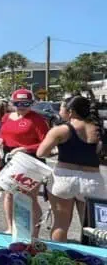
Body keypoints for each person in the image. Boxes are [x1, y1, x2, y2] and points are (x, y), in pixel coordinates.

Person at [37, 96, 106, 242]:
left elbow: (41, 153)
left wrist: (56, 151)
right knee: (94, 229)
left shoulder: (60, 130)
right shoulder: (98, 130)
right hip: (92, 181)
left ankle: (58, 258)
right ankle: (94, 260)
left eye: (61, 108)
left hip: (64, 178)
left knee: (61, 225)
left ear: (71, 112)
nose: (59, 111)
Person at [0, 89, 49, 237]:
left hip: (31, 161)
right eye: (17, 103)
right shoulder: (6, 117)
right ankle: (11, 227)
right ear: (12, 103)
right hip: (10, 158)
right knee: (9, 193)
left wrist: (25, 149)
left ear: (32, 103)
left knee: (30, 196)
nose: (22, 106)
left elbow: (46, 143)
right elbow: (3, 133)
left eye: (26, 103)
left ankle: (34, 232)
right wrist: (1, 140)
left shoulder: (37, 120)